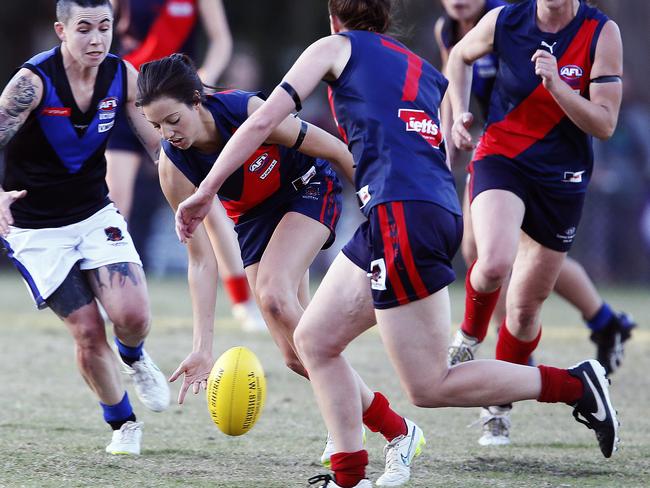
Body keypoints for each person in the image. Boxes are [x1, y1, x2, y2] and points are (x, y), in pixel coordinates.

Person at [173, 1, 620, 486]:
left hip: (400, 213)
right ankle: (348, 474)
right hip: (424, 209)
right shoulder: (418, 65)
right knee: (314, 340)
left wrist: (205, 191)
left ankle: (575, 385)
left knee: (428, 385)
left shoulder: (333, 47)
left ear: (334, 19)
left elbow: (260, 123)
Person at [136, 53, 425, 481]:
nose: (167, 134)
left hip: (307, 187)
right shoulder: (173, 167)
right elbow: (203, 260)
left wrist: (377, 211)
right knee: (297, 354)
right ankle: (391, 427)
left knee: (273, 294)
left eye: (173, 119)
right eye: (156, 126)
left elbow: (334, 148)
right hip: (253, 220)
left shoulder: (246, 112)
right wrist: (202, 345)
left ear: (196, 100)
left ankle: (389, 436)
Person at [436, 0, 635, 445]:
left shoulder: (602, 33)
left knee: (524, 310)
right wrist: (459, 114)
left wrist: (557, 84)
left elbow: (604, 124)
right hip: (501, 157)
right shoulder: (505, 19)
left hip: (563, 179)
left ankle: (497, 406)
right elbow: (458, 57)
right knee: (492, 262)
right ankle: (468, 335)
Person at [0, 0, 170, 455]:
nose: (96, 40)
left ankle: (134, 357)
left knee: (133, 316)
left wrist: (199, 186)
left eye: (104, 28)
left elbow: (158, 146)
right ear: (61, 30)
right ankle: (123, 423)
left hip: (95, 212)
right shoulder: (31, 83)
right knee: (88, 331)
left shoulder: (123, 75)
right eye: (84, 29)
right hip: (35, 228)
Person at [107, 0, 265, 331]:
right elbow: (102, 29)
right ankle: (111, 296)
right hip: (129, 103)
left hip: (178, 109)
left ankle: (243, 303)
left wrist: (204, 75)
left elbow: (222, 40)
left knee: (208, 208)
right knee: (115, 204)